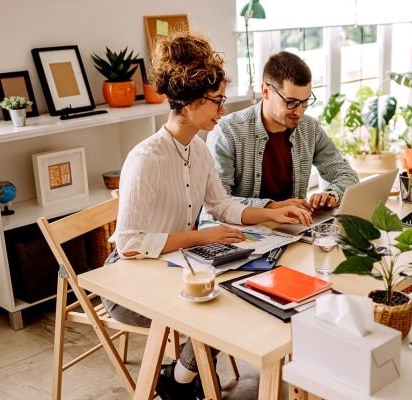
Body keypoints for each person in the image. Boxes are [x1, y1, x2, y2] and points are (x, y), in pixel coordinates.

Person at [105, 33, 312, 400]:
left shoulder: (197, 150)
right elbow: (130, 244)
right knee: (222, 307)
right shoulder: (145, 159)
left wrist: (269, 211)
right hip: (132, 285)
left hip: (178, 267)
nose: (222, 111)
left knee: (244, 294)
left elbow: (223, 206)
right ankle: (183, 377)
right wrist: (204, 237)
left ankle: (180, 378)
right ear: (189, 103)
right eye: (216, 102)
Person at [207, 51, 358, 212]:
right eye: (291, 102)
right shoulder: (227, 132)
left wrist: (332, 195)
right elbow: (217, 203)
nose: (299, 112)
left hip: (292, 230)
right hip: (242, 232)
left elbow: (347, 175)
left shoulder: (309, 128)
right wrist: (272, 208)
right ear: (266, 91)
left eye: (305, 101)